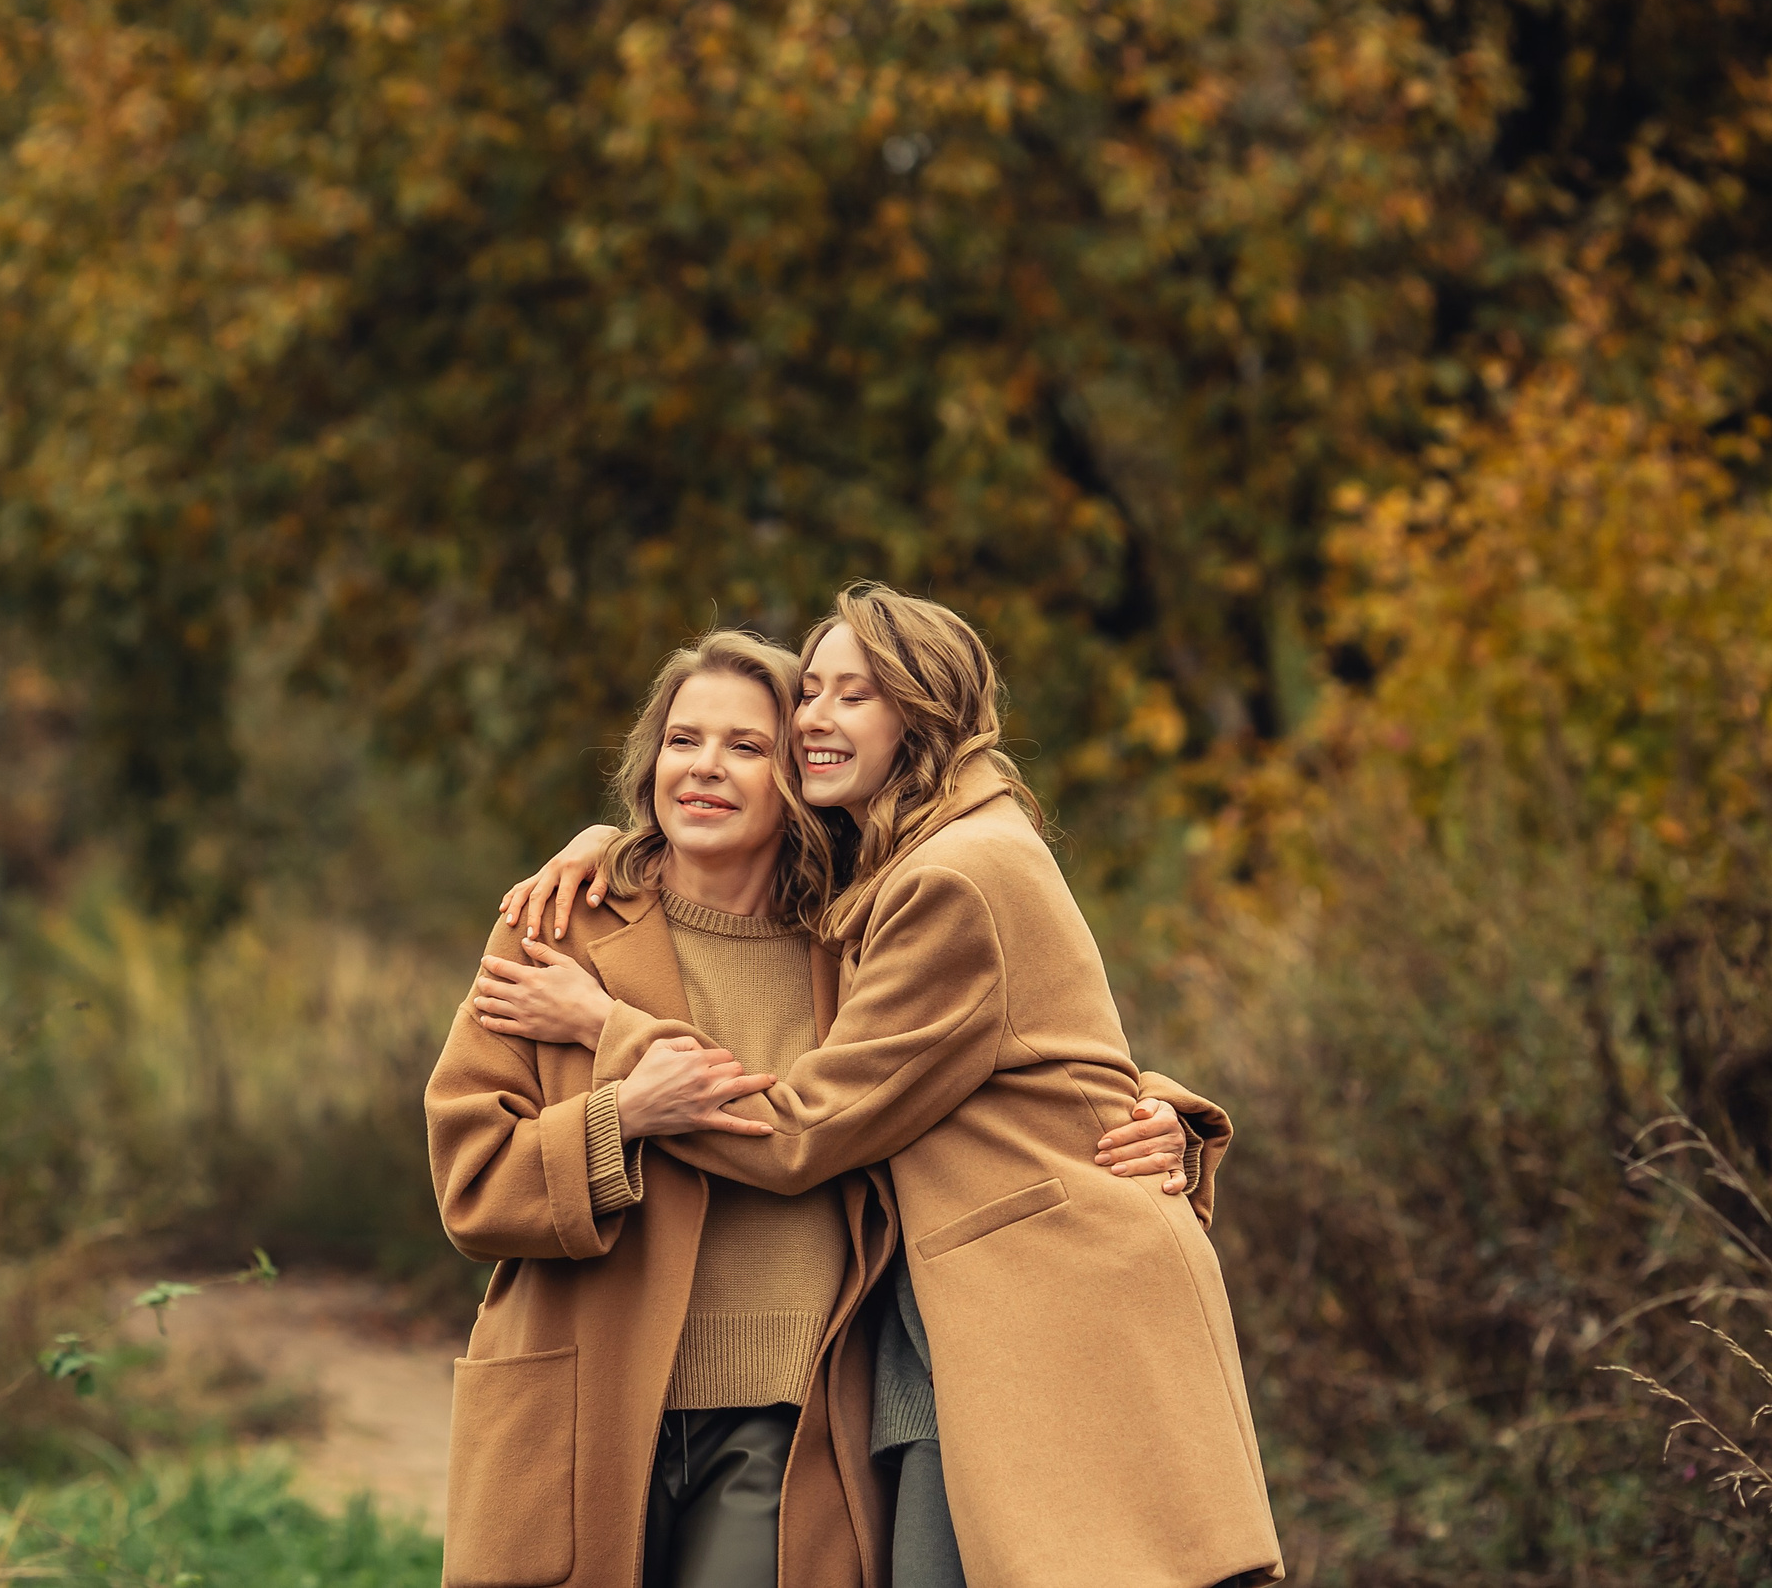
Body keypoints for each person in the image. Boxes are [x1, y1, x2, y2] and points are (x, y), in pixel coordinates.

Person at [477, 586, 1282, 1588]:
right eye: (808, 691)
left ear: (921, 716)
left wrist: (610, 1034)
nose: (815, 716)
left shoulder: (937, 878)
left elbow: (809, 1130)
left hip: (1028, 1319)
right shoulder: (870, 873)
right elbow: (1006, 1052)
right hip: (928, 1319)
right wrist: (612, 842)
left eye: (851, 695)